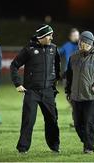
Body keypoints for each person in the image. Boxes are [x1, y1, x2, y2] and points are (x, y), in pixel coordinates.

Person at [10, 24, 60, 154]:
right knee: (28, 121)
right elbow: (14, 65)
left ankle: (55, 147)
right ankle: (23, 148)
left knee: (52, 120)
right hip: (31, 91)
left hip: (48, 91)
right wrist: (18, 83)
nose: (51, 38)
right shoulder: (29, 49)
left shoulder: (54, 49)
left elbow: (57, 65)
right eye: (49, 35)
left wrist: (55, 80)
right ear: (41, 37)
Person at [65, 31, 94, 154]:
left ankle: (89, 147)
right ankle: (88, 140)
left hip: (92, 97)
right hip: (76, 97)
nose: (81, 46)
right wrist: (68, 91)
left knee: (89, 123)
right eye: (80, 43)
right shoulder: (73, 56)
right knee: (77, 124)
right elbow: (69, 76)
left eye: (84, 44)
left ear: (90, 44)